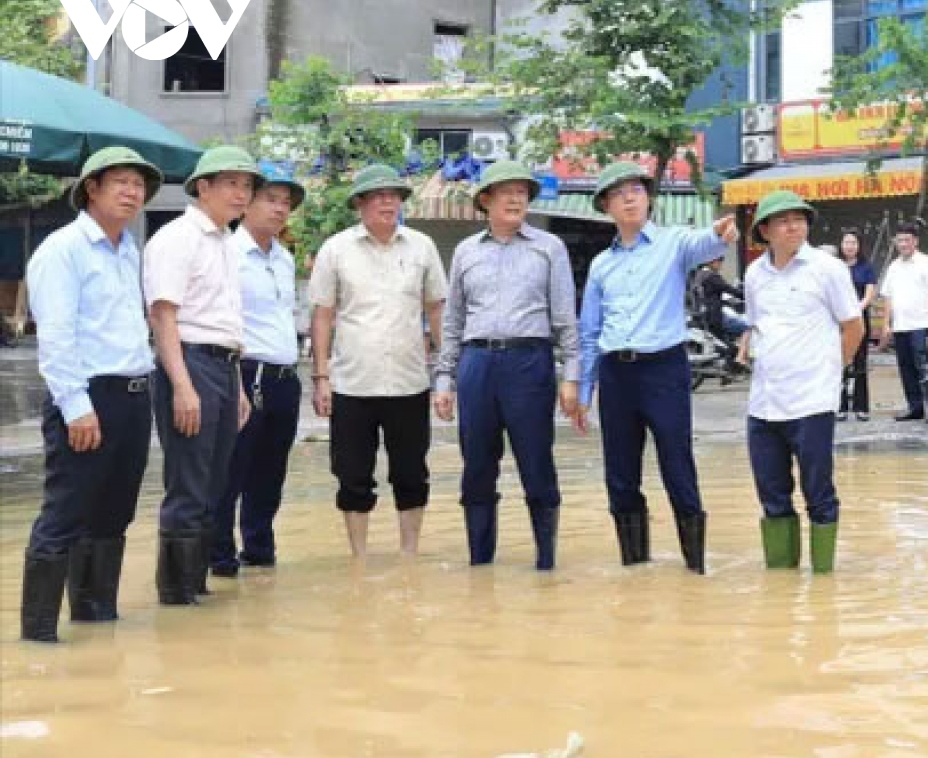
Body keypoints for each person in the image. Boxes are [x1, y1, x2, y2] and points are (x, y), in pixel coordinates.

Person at [19, 148, 162, 641]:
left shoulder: (127, 250)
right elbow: (56, 337)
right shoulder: (63, 250)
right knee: (66, 513)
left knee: (114, 514)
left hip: (133, 395)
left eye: (139, 185)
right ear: (91, 190)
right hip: (87, 397)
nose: (131, 192)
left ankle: (96, 619)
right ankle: (38, 636)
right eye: (119, 182)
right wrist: (76, 407)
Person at [576, 161, 740, 573]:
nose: (629, 198)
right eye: (619, 193)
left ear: (649, 199)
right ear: (606, 207)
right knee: (620, 475)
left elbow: (707, 243)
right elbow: (589, 332)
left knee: (677, 465)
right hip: (617, 375)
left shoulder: (673, 244)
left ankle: (695, 570)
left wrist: (720, 233)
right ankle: (635, 568)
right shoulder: (601, 265)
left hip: (664, 370)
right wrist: (582, 392)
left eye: (636, 189)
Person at [433, 160, 580, 570]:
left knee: (536, 461)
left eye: (523, 192)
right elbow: (453, 320)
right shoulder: (465, 251)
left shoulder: (549, 248)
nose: (516, 198)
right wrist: (443, 378)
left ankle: (546, 563)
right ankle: (480, 563)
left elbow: (565, 316)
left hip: (529, 362)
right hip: (476, 362)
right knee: (477, 464)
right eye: (506, 191)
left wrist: (571, 376)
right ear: (486, 200)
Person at [308, 163, 448, 558]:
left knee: (411, 474)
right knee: (352, 476)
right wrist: (321, 377)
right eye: (378, 195)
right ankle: (359, 558)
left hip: (409, 381)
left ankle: (409, 555)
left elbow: (437, 309)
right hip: (353, 382)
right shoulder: (336, 250)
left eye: (394, 196)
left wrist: (446, 374)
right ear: (360, 204)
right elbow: (322, 315)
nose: (388, 202)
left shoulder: (422, 247)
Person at [145, 145, 259, 605]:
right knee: (188, 483)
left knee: (214, 483)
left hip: (224, 367)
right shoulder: (176, 239)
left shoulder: (228, 243)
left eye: (247, 185)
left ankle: (195, 587)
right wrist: (182, 386)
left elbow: (225, 318)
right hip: (188, 362)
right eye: (231, 183)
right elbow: (164, 316)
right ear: (202, 187)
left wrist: (238, 388)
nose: (241, 193)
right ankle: (175, 595)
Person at [739, 191, 863, 572]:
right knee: (772, 495)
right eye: (782, 220)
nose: (793, 226)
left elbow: (853, 327)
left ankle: (823, 583)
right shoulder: (754, 274)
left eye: (799, 218)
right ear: (765, 230)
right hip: (764, 402)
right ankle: (781, 582)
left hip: (812, 401)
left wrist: (831, 370)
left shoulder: (827, 268)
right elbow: (756, 326)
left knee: (818, 494)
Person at [211, 166, 307, 576]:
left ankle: (259, 548)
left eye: (286, 202)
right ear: (246, 204)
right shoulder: (226, 254)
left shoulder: (284, 259)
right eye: (271, 199)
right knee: (233, 468)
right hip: (245, 372)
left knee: (271, 471)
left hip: (285, 374)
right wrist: (235, 384)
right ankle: (219, 554)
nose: (280, 209)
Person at [876, 220, 928, 421]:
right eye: (900, 240)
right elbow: (887, 297)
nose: (903, 244)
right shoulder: (893, 267)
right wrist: (886, 324)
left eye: (907, 240)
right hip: (900, 326)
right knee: (905, 368)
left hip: (921, 325)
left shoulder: (927, 262)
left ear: (915, 241)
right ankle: (915, 407)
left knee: (924, 368)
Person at [838, 229, 877, 421]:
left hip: (860, 319)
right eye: (846, 242)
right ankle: (840, 406)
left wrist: (856, 309)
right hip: (838, 321)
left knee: (860, 362)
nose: (849, 246)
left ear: (859, 246)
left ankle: (861, 407)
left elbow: (869, 294)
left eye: (853, 242)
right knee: (839, 363)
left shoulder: (866, 267)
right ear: (841, 245)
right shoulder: (835, 266)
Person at [692, 256, 746, 341]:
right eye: (720, 261)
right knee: (747, 328)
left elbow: (708, 296)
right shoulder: (712, 276)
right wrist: (747, 295)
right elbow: (730, 289)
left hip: (703, 317)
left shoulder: (699, 274)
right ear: (712, 261)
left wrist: (726, 302)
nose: (721, 265)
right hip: (715, 317)